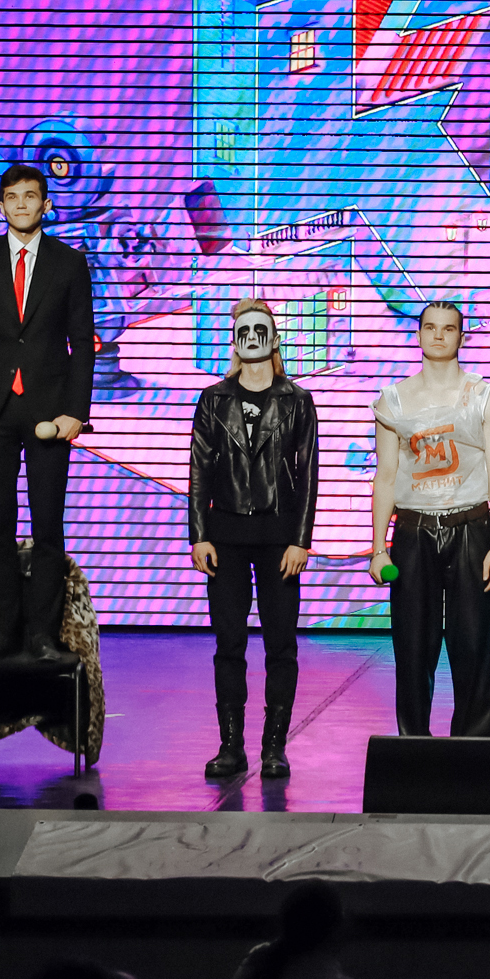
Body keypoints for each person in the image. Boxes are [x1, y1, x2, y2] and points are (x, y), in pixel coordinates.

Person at [0, 163, 96, 662]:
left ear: (45, 204)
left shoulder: (69, 263)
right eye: (12, 197)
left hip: (49, 413)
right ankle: (2, 633)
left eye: (30, 196)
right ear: (1, 205)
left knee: (48, 527)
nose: (20, 205)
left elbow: (83, 343)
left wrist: (76, 411)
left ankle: (43, 635)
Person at [189, 300, 318, 779]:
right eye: (244, 331)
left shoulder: (297, 400)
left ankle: (274, 748)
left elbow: (308, 475)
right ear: (234, 340)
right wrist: (199, 535)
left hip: (278, 537)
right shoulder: (213, 399)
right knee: (229, 643)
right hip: (225, 537)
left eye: (261, 330)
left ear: (275, 338)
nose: (252, 338)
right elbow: (199, 471)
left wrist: (301, 540)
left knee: (281, 645)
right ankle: (230, 747)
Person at [369, 302, 490, 736]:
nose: (438, 335)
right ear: (418, 335)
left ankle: (473, 749)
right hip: (414, 531)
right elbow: (386, 476)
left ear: (461, 337)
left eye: (448, 329)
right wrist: (378, 549)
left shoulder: (485, 396)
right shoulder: (393, 400)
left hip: (471, 529)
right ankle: (413, 746)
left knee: (473, 646)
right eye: (430, 327)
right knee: (412, 647)